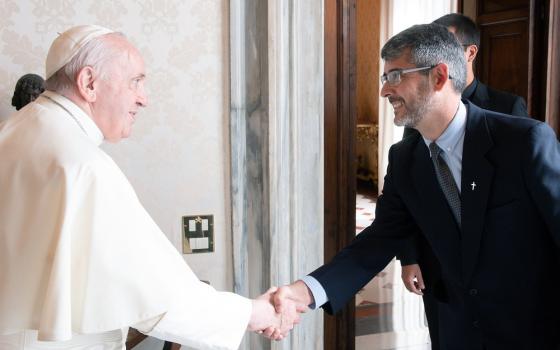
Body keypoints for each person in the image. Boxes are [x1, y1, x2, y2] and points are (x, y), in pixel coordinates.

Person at [0, 25, 301, 350]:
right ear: (89, 83)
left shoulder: (12, 131)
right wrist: (252, 314)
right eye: (135, 82)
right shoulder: (85, 167)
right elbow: (154, 293)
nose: (144, 99)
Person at [273, 23, 560, 350]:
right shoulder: (405, 159)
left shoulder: (523, 142)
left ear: (439, 77)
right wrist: (304, 291)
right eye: (385, 78)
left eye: (396, 76)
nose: (384, 91)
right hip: (458, 333)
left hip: (535, 332)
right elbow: (379, 239)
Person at [398, 14, 531, 349]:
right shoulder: (418, 111)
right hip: (437, 264)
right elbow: (406, 193)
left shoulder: (508, 109)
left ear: (469, 53)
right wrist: (409, 256)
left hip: (496, 270)